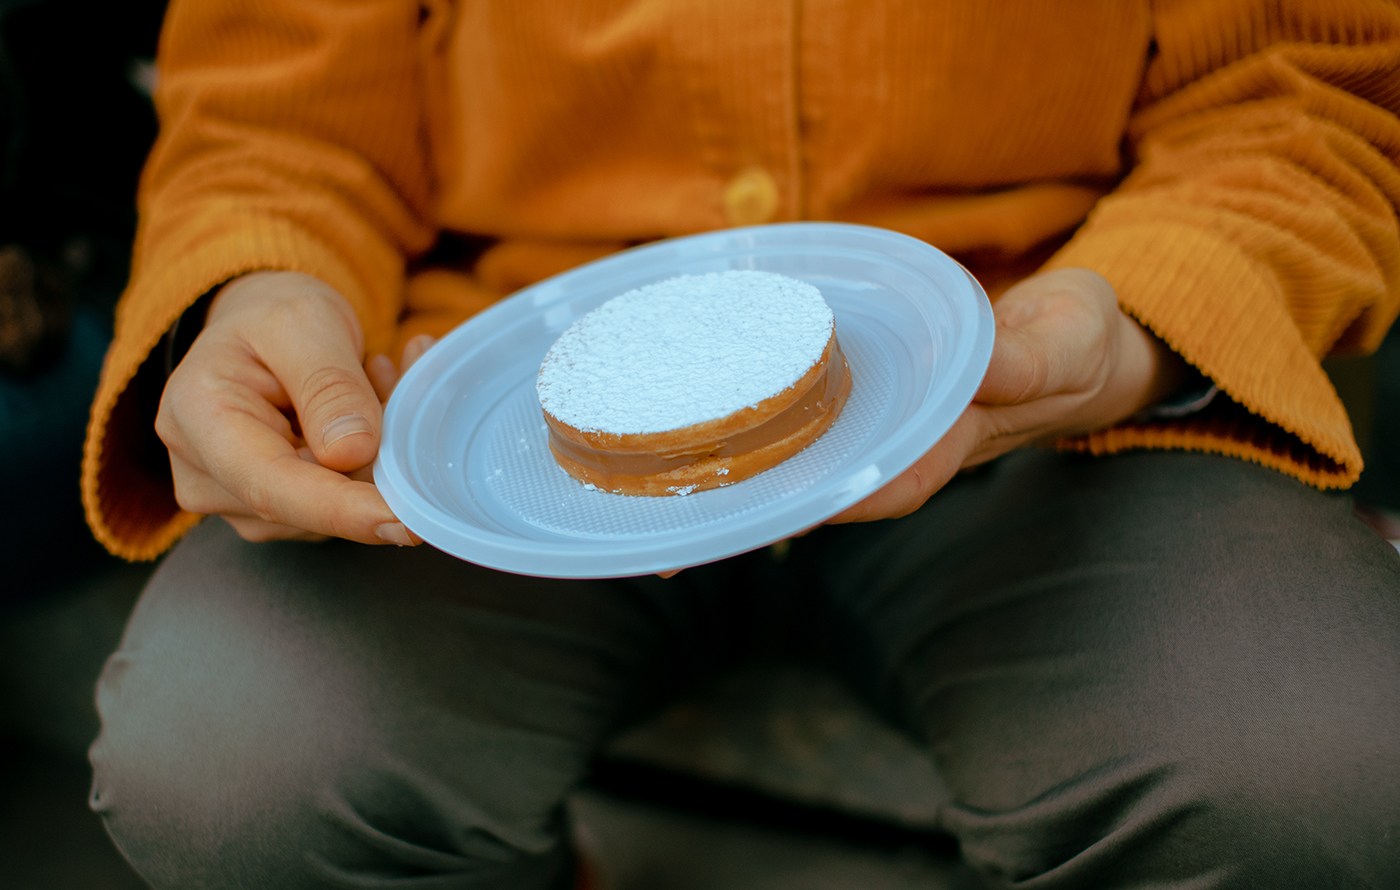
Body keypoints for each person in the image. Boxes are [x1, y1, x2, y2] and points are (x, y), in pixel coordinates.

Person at [82, 1, 1400, 887]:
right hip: (493, 401)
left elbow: (1300, 90)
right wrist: (265, 279)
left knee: (1302, 778)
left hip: (1045, 384)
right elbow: (277, 110)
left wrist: (1146, 322)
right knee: (228, 767)